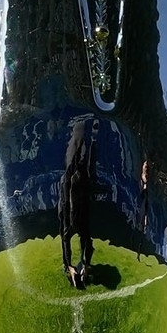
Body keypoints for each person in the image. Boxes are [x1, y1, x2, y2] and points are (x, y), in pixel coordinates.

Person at [57, 119, 98, 288]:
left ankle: (73, 267)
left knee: (68, 234)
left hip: (71, 197)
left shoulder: (72, 165)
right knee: (82, 234)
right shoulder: (82, 156)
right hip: (77, 196)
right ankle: (81, 266)